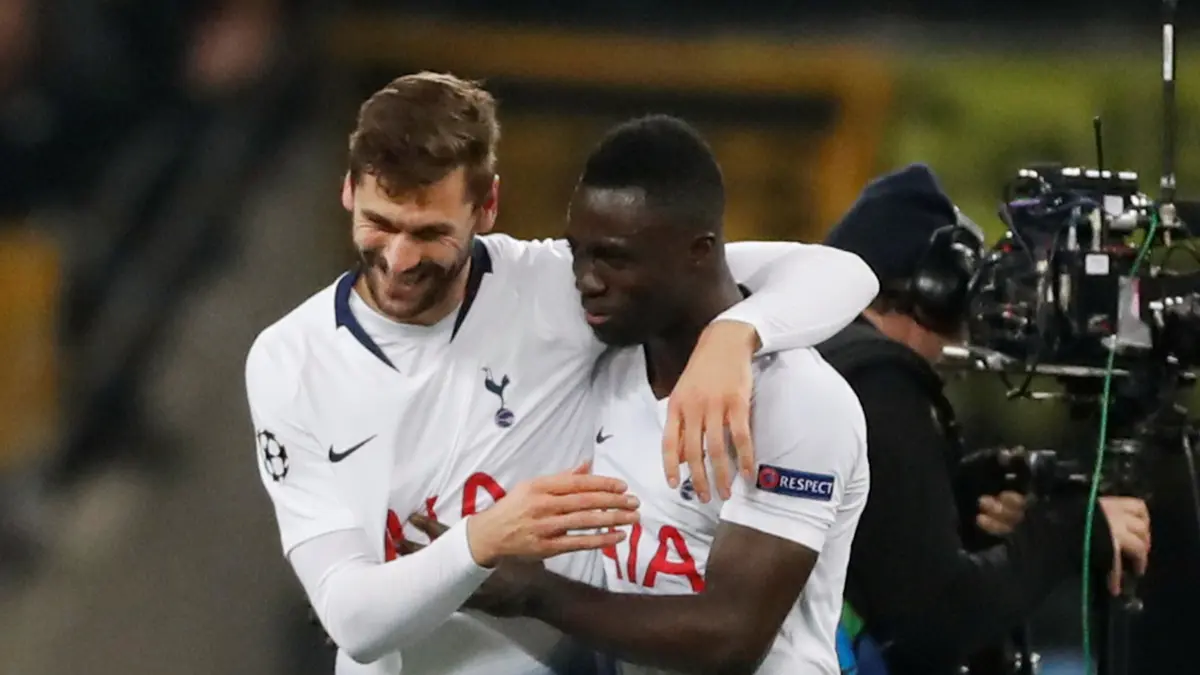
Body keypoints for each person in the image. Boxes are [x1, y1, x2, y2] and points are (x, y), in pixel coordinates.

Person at [245, 73, 879, 675]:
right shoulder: (290, 362)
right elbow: (351, 618)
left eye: (430, 232)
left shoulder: (559, 292)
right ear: (348, 191)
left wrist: (734, 334)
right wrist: (481, 543)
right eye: (379, 224)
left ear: (486, 207)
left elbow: (836, 272)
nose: (400, 257)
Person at [403, 114, 871, 675]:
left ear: (700, 251)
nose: (587, 279)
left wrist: (535, 593)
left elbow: (731, 638)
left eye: (615, 258)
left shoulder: (798, 400)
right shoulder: (609, 361)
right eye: (578, 252)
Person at [811, 164, 1153, 675]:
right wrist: (1072, 531)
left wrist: (958, 495)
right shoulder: (880, 383)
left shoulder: (814, 363)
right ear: (937, 288)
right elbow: (939, 620)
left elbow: (874, 547)